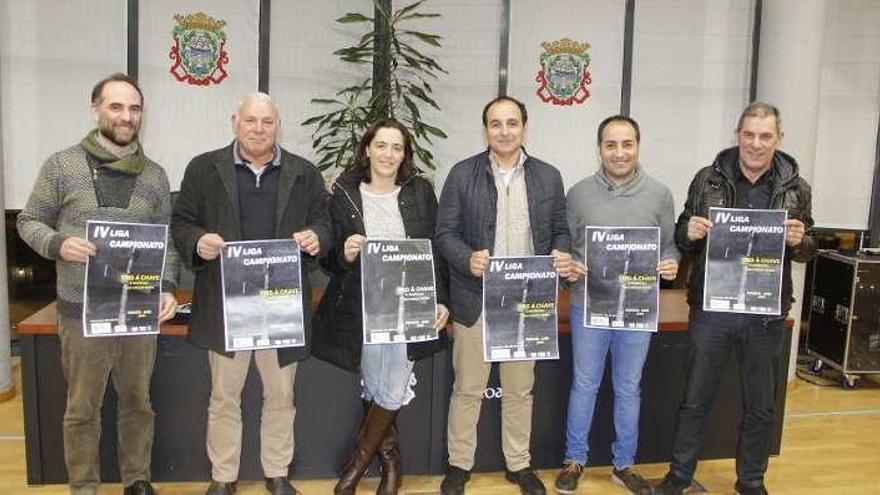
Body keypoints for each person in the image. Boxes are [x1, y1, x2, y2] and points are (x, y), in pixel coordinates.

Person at [17, 73, 178, 495]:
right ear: (96, 110)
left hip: (138, 313)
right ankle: (83, 486)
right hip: (81, 311)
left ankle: (137, 480)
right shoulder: (62, 165)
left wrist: (167, 286)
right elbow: (28, 220)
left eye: (135, 109)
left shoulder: (156, 176)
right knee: (82, 409)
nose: (127, 117)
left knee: (138, 405)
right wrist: (57, 243)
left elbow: (167, 240)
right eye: (116, 107)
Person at [170, 93, 331, 495]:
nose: (259, 129)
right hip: (227, 306)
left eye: (267, 122)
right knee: (225, 396)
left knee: (281, 396)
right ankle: (223, 477)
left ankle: (276, 472)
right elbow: (182, 222)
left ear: (278, 125)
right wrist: (197, 240)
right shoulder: (204, 168)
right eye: (251, 121)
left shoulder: (304, 173)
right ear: (235, 122)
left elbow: (325, 223)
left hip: (282, 305)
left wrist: (317, 237)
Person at [654, 102, 816, 495]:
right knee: (695, 399)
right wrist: (688, 231)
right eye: (749, 135)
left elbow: (809, 245)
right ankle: (679, 476)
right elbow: (680, 236)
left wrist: (801, 242)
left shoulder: (796, 188)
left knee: (761, 406)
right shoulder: (708, 179)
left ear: (778, 139)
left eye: (765, 136)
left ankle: (751, 481)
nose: (756, 144)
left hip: (765, 316)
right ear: (737, 135)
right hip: (713, 310)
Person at [435, 96, 572, 495]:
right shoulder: (462, 174)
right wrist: (466, 259)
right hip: (474, 298)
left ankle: (519, 464)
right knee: (467, 388)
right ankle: (459, 465)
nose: (504, 131)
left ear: (525, 127)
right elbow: (443, 234)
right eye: (496, 124)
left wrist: (560, 251)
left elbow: (561, 228)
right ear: (486, 130)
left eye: (512, 123)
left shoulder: (548, 176)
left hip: (527, 301)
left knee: (518, 389)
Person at [311, 118, 450, 495]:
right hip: (362, 311)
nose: (389, 154)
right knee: (374, 385)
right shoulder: (343, 192)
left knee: (390, 387)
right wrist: (345, 253)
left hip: (412, 306)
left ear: (405, 154)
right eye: (382, 145)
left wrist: (442, 300)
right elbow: (327, 258)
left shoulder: (421, 191)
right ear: (367, 149)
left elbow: (435, 251)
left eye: (397, 147)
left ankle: (354, 470)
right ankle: (390, 463)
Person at [553, 115, 679, 494]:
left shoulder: (660, 195)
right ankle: (574, 460)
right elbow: (564, 247)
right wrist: (568, 267)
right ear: (600, 149)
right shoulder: (577, 194)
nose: (619, 153)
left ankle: (624, 464)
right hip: (588, 305)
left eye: (627, 144)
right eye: (611, 145)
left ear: (638, 146)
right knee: (585, 384)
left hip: (637, 308)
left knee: (629, 387)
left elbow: (669, 245)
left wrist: (671, 263)